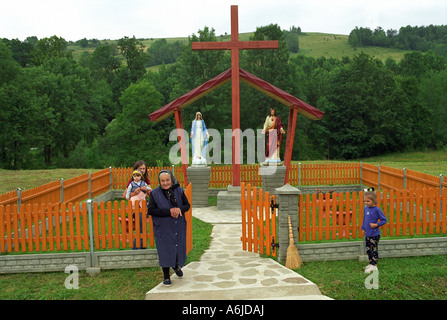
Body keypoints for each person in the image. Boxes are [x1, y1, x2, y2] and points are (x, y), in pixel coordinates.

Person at [147, 169, 190, 286]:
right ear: (159, 182)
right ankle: (166, 276)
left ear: (171, 179)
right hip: (163, 227)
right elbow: (151, 210)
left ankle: (176, 266)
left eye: (167, 180)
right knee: (165, 250)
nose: (165, 183)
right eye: (162, 181)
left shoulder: (179, 190)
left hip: (177, 226)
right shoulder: (155, 194)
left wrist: (179, 209)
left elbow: (187, 205)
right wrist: (169, 211)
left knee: (177, 247)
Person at [361, 187, 387, 273]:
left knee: (374, 249)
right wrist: (363, 228)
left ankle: (374, 265)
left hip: (374, 234)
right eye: (365, 201)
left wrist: (376, 225)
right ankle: (370, 263)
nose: (366, 203)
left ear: (374, 200)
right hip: (367, 233)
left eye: (368, 201)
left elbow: (384, 220)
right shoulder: (366, 208)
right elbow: (364, 219)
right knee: (368, 249)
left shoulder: (377, 209)